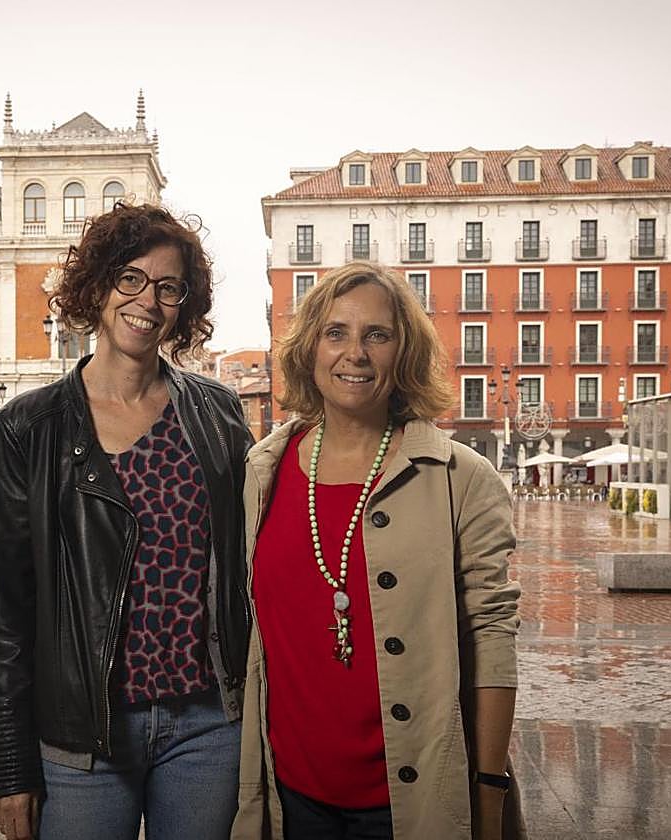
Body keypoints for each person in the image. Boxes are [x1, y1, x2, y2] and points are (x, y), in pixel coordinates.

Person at [0, 203, 253, 840]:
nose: (147, 301)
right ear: (99, 286)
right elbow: (6, 613)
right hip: (81, 738)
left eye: (168, 287)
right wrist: (10, 764)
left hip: (207, 726)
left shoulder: (217, 414)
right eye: (130, 278)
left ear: (184, 304)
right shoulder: (27, 428)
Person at [232, 262, 524, 840]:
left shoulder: (458, 477)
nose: (355, 353)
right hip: (292, 792)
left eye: (378, 335)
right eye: (335, 332)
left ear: (403, 352)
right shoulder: (263, 471)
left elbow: (492, 636)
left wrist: (489, 789)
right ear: (310, 348)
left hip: (409, 800)